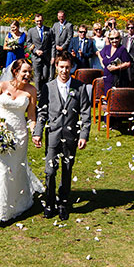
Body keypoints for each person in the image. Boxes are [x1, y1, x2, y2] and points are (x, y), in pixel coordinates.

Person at [0, 60, 45, 223]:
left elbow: (31, 116)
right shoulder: (1, 87)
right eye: (24, 71)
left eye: (29, 72)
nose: (27, 75)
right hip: (1, 132)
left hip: (19, 135)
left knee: (16, 168)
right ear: (15, 71)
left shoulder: (31, 91)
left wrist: (34, 132)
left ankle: (17, 202)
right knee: (1, 168)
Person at [33, 51, 91, 221]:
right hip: (53, 135)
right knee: (50, 171)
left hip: (71, 136)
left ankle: (63, 203)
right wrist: (37, 132)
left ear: (71, 67)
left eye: (67, 67)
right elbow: (42, 113)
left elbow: (86, 114)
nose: (64, 71)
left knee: (66, 170)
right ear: (56, 67)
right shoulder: (48, 87)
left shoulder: (80, 87)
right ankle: (49, 203)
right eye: (61, 67)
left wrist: (83, 136)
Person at [27, 13, 53, 91]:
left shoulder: (49, 30)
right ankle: (38, 93)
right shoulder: (31, 31)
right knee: (37, 76)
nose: (39, 23)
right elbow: (28, 43)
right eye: (37, 21)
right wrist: (35, 51)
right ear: (34, 21)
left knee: (45, 76)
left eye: (40, 21)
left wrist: (53, 56)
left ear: (43, 20)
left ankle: (44, 91)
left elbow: (53, 43)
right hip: (36, 57)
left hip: (46, 57)